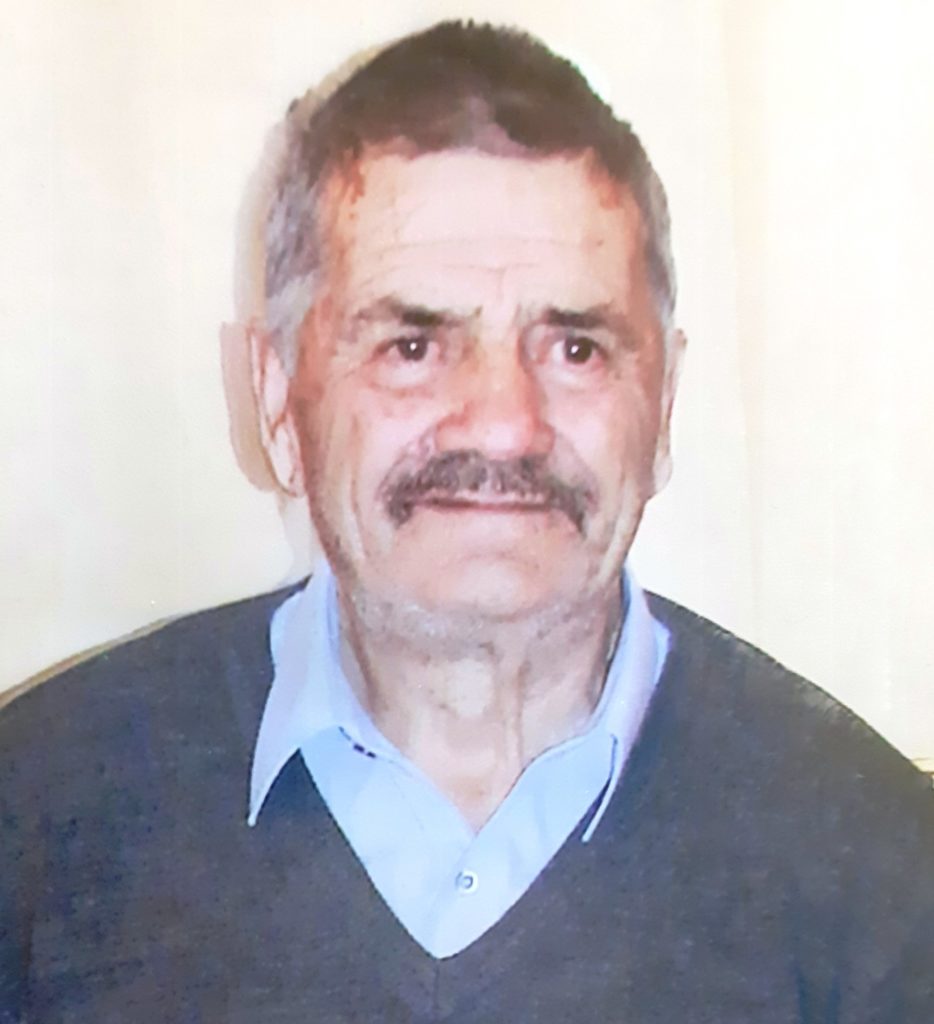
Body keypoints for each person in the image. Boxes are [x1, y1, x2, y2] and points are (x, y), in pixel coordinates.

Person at [1, 20, 932, 1023]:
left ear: (661, 407)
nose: (503, 423)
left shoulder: (882, 873)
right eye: (412, 345)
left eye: (575, 348)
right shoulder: (36, 824)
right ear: (276, 403)